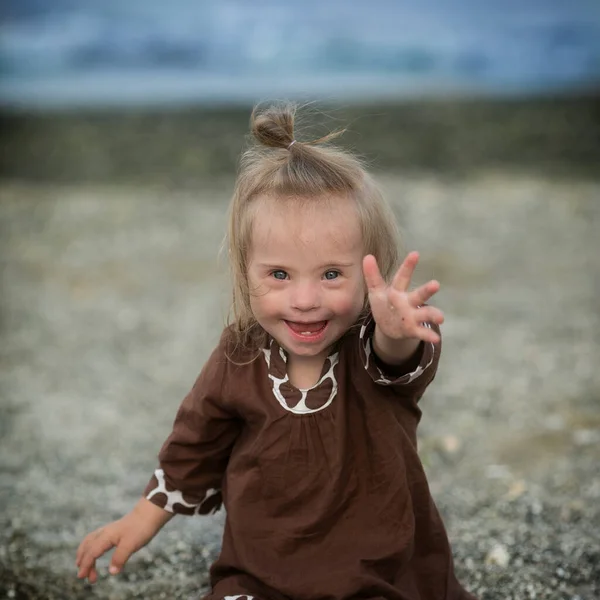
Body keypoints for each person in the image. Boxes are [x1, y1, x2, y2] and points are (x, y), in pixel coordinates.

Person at [76, 103, 477, 600]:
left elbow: (397, 362)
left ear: (369, 270)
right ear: (246, 272)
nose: (305, 300)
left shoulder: (369, 347)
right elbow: (196, 443)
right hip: (261, 571)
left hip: (376, 568)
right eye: (279, 275)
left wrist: (397, 332)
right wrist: (142, 518)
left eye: (332, 274)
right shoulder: (238, 355)